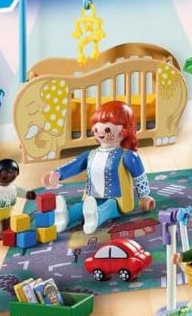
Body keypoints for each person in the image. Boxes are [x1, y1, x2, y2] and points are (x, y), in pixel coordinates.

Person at [42, 100, 155, 235]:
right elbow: (75, 165)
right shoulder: (91, 154)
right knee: (82, 207)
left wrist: (144, 196)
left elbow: (139, 176)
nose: (100, 133)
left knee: (108, 207)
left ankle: (97, 216)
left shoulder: (127, 155)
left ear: (124, 130)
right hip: (92, 197)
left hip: (117, 200)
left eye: (107, 130)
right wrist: (58, 174)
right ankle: (67, 215)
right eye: (96, 129)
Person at [0, 158, 36, 241]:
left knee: (6, 223)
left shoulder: (13, 187)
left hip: (7, 211)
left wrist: (27, 194)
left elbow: (20, 191)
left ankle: (5, 231)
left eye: (14, 173)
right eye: (6, 173)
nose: (11, 175)